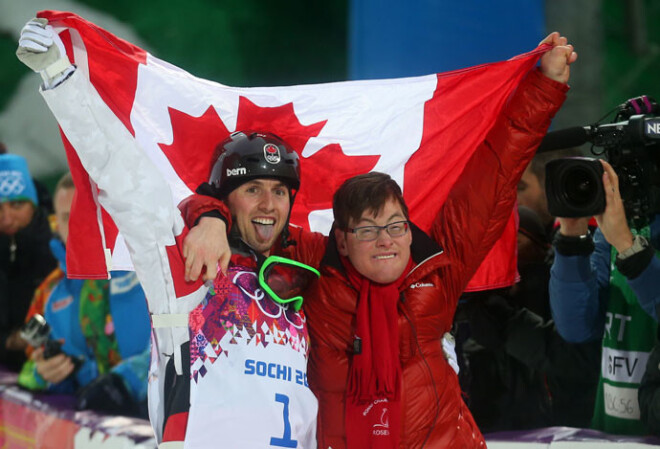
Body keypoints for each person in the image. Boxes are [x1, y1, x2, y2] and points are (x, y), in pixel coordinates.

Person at [18, 17, 574, 448]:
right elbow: (126, 182)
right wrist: (60, 79)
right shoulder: (188, 266)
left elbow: (482, 196)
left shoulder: (326, 277)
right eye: (252, 190)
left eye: (281, 191)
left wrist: (539, 93)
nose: (269, 204)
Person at [179, 36, 575, 448]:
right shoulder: (317, 268)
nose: (385, 241)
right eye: (367, 229)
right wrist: (208, 215)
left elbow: (496, 172)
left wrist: (545, 86)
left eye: (396, 226)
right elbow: (251, 226)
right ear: (343, 242)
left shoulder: (438, 271)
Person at [17, 172, 152, 417]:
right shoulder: (53, 294)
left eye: (86, 211)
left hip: (162, 426)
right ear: (55, 223)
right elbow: (44, 371)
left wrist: (126, 381)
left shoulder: (150, 270)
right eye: (67, 217)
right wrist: (44, 373)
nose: (77, 224)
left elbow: (184, 340)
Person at [457, 206, 599, 432]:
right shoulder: (479, 308)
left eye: (514, 242)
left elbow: (579, 358)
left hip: (575, 433)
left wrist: (509, 326)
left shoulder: (565, 294)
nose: (505, 255)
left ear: (542, 246)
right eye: (492, 246)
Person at [549, 159, 660, 435]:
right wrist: (572, 236)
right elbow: (577, 327)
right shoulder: (616, 229)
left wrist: (626, 245)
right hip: (610, 434)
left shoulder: (620, 234)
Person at [0, 150, 57, 371]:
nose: (7, 218)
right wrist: (7, 341)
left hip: (52, 370)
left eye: (16, 205)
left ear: (33, 205)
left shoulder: (59, 247)